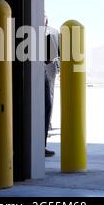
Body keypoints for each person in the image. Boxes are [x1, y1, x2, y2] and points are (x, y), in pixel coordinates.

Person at [44, 14, 60, 157]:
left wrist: (58, 67)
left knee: (49, 101)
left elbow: (59, 52)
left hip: (49, 70)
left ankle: (42, 144)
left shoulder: (54, 31)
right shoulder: (31, 30)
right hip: (34, 70)